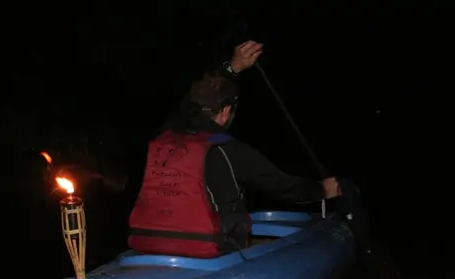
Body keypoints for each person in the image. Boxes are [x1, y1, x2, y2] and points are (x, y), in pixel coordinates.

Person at [127, 41, 341, 258]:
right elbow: (282, 186)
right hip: (207, 248)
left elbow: (182, 110)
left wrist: (231, 68)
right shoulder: (229, 149)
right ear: (226, 111)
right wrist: (321, 190)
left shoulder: (163, 135)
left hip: (147, 241)